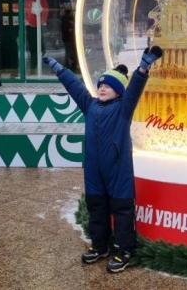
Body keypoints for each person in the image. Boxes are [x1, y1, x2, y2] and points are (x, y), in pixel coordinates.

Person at [43, 45, 163, 273]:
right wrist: (59, 69)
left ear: (119, 91)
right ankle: (100, 245)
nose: (102, 88)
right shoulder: (90, 105)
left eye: (107, 86)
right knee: (96, 206)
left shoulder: (123, 109)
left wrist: (143, 68)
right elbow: (75, 87)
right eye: (100, 85)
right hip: (94, 169)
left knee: (122, 209)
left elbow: (135, 89)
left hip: (118, 170)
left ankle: (123, 249)